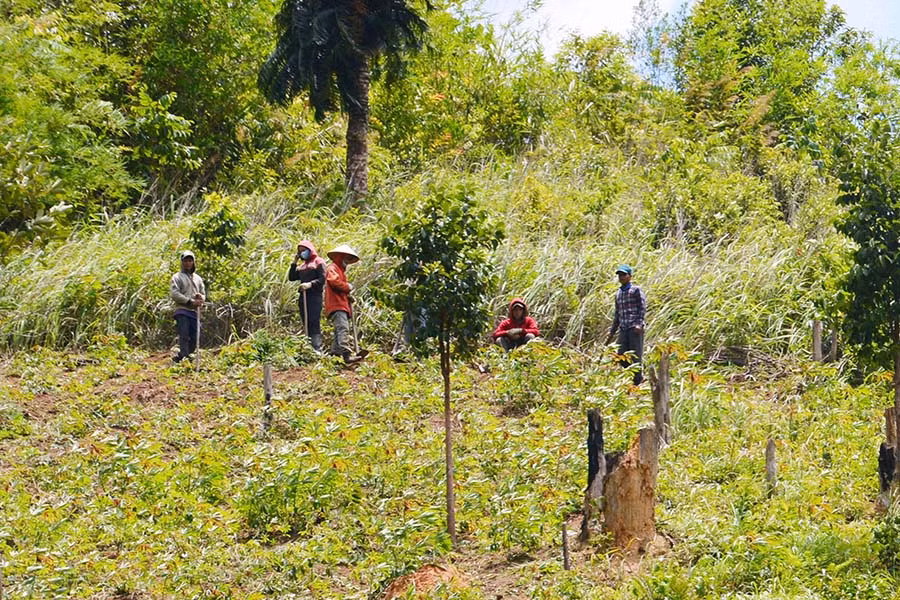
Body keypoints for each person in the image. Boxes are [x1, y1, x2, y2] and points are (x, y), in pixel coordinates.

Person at [605, 264, 647, 385]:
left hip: (634, 328)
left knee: (635, 355)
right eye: (619, 275)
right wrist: (612, 331)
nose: (621, 277)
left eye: (624, 275)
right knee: (620, 355)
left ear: (630, 276)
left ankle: (638, 381)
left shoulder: (636, 290)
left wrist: (639, 324)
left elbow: (642, 307)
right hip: (623, 328)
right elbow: (617, 313)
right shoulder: (618, 293)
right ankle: (633, 374)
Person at [324, 244, 362, 363]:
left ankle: (334, 355)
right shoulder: (333, 268)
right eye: (346, 258)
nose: (347, 262)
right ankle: (346, 355)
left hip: (341, 304)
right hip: (337, 305)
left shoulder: (341, 272)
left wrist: (348, 297)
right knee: (343, 329)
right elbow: (334, 282)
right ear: (341, 257)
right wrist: (347, 287)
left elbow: (340, 289)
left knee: (338, 330)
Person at [288, 240, 326, 352]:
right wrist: (294, 262)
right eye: (300, 251)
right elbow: (292, 277)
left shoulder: (318, 262)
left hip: (314, 297)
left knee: (314, 321)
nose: (302, 253)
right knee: (306, 321)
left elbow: (323, 279)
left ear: (310, 250)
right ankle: (308, 349)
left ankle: (317, 348)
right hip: (303, 297)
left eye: (304, 250)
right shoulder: (303, 266)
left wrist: (310, 284)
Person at [170, 250, 206, 363]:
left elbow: (203, 294)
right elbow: (175, 294)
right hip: (182, 310)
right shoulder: (177, 277)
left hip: (195, 312)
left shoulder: (198, 279)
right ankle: (185, 358)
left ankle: (184, 355)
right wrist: (189, 301)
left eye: (190, 260)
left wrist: (201, 298)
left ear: (193, 262)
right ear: (182, 262)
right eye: (185, 261)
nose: (188, 263)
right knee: (184, 334)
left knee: (196, 336)